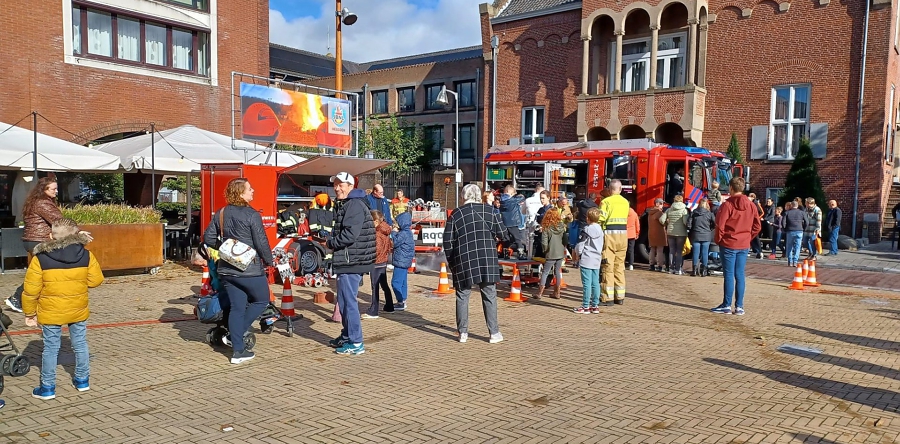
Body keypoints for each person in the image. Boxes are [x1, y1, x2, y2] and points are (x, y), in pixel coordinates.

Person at [22, 218, 103, 400]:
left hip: (50, 311)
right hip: (77, 308)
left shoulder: (40, 258)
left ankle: (48, 388)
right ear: (76, 235)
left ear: (51, 236)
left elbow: (30, 290)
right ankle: (82, 381)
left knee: (50, 348)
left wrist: (29, 313)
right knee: (80, 344)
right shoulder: (86, 255)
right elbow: (96, 280)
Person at [203, 178, 276, 364]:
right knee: (261, 300)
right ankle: (234, 336)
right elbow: (261, 242)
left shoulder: (221, 213)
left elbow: (208, 237)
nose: (253, 191)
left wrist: (226, 247)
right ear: (241, 193)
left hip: (227, 269)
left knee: (237, 307)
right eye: (250, 189)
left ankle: (238, 352)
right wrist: (270, 261)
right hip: (249, 269)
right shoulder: (252, 215)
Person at [443, 184, 506, 344]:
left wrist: (452, 261)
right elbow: (503, 234)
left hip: (464, 259)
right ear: (479, 196)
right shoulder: (490, 211)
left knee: (462, 295)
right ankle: (494, 333)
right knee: (489, 294)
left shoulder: (456, 214)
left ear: (463, 196)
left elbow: (447, 242)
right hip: (487, 258)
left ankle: (462, 333)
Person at [325, 172, 375, 355]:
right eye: (335, 185)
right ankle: (347, 335)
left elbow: (350, 235)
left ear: (350, 186)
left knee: (348, 301)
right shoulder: (351, 203)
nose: (337, 188)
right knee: (345, 301)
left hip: (351, 260)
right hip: (350, 259)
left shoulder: (353, 205)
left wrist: (330, 243)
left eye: (341, 185)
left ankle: (355, 342)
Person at [6, 177, 63, 313]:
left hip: (33, 241)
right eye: (53, 189)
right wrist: (76, 232)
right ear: (44, 189)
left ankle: (25, 299)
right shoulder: (43, 203)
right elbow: (60, 221)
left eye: (56, 188)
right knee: (44, 272)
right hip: (41, 241)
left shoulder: (35, 201)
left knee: (41, 272)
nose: (56, 191)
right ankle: (17, 298)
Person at [711, 177, 761, 316]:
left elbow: (720, 225)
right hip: (743, 243)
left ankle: (726, 305)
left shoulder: (727, 205)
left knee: (728, 274)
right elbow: (757, 225)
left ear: (731, 188)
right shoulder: (751, 205)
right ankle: (739, 306)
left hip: (729, 243)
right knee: (740, 275)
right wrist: (748, 237)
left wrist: (719, 239)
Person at [597, 180, 630, 305]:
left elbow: (601, 218)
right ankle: (620, 297)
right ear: (620, 189)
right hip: (623, 235)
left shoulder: (606, 202)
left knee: (607, 266)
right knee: (619, 266)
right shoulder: (626, 202)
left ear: (609, 190)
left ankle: (607, 298)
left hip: (610, 235)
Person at [363, 210, 393, 319]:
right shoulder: (386, 230)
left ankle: (374, 311)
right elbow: (389, 245)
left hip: (376, 263)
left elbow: (376, 249)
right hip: (383, 261)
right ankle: (389, 305)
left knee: (374, 286)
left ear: (375, 221)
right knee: (384, 284)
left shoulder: (377, 233)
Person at [574, 207, 604, 314]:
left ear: (588, 218)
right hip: (596, 258)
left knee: (586, 283)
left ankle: (585, 306)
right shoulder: (600, 230)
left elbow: (580, 244)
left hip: (587, 258)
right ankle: (595, 305)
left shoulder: (586, 230)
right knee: (595, 282)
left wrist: (578, 254)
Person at [534, 208, 566, 300]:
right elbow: (564, 239)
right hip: (560, 252)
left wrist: (545, 250)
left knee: (545, 272)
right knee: (557, 272)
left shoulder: (546, 227)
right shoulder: (561, 226)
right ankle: (557, 292)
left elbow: (544, 242)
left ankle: (540, 293)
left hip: (551, 252)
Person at [391, 211, 415, 311]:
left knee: (395, 282)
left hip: (401, 261)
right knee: (403, 282)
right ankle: (403, 300)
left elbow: (395, 242)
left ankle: (400, 301)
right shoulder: (407, 232)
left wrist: (393, 232)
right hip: (405, 261)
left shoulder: (403, 233)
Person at [660, 194, 690, 275]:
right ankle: (677, 269)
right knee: (679, 251)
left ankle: (671, 268)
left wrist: (667, 224)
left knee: (671, 251)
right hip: (681, 233)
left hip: (670, 232)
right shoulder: (684, 210)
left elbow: (661, 220)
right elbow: (684, 222)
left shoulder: (669, 210)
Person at [499, 185, 527, 260]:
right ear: (510, 193)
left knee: (506, 239)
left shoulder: (501, 201)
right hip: (513, 222)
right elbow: (522, 198)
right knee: (517, 239)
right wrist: (516, 195)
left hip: (504, 222)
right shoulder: (512, 200)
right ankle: (520, 254)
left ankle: (506, 254)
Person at [688, 198, 715, 276]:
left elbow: (689, 224)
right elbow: (715, 223)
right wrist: (710, 229)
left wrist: (692, 229)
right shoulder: (709, 214)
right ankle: (704, 271)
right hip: (706, 235)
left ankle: (694, 270)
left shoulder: (694, 213)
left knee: (696, 253)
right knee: (705, 253)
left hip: (696, 234)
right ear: (706, 204)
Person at [782, 201, 807, 267]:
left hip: (790, 230)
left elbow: (783, 222)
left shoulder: (787, 212)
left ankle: (790, 261)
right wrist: (803, 228)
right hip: (799, 230)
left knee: (789, 246)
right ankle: (795, 261)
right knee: (798, 247)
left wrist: (785, 229)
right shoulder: (802, 212)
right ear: (797, 205)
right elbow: (807, 222)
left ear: (791, 205)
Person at [647, 198, 667, 272]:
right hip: (659, 233)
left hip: (651, 233)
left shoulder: (650, 212)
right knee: (659, 250)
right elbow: (663, 222)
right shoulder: (659, 213)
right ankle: (660, 266)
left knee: (652, 249)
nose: (662, 206)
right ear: (657, 204)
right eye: (661, 204)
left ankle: (651, 265)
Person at [748, 193, 765, 259]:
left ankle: (759, 251)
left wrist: (756, 218)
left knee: (755, 236)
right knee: (752, 236)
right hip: (751, 222)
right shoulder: (750, 204)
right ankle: (755, 250)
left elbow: (762, 212)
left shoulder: (755, 203)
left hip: (755, 222)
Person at [625, 204, 640, 271]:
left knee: (623, 249)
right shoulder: (634, 214)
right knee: (631, 250)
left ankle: (622, 264)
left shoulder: (623, 213)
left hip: (624, 233)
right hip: (632, 234)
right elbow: (637, 225)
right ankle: (631, 264)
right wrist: (637, 233)